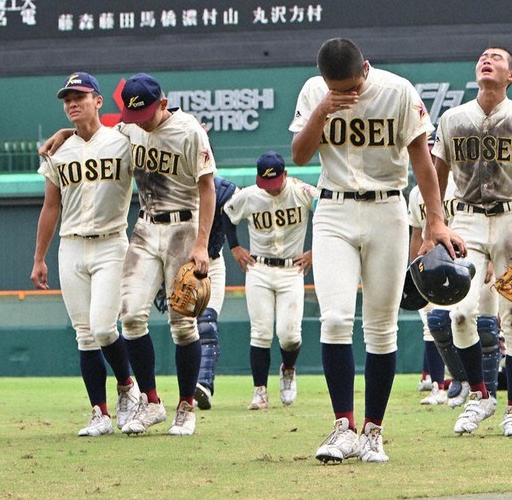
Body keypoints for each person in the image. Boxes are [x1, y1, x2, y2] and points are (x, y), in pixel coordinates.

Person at [290, 38, 465, 463]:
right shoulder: (316, 91)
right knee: (333, 319)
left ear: (365, 69)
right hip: (333, 208)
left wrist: (435, 220)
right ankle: (343, 428)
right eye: (337, 88)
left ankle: (373, 432)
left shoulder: (397, 90)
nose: (345, 94)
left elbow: (422, 160)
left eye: (350, 86)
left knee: (382, 327)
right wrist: (322, 110)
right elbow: (298, 155)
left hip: (388, 208)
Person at [41, 73, 216, 436]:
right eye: (133, 115)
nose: (139, 122)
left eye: (146, 114)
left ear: (163, 104)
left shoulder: (189, 131)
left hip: (183, 227)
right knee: (132, 316)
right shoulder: (130, 128)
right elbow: (93, 133)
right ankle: (151, 401)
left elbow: (207, 187)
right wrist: (65, 132)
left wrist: (202, 243)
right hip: (146, 225)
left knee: (182, 323)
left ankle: (185, 407)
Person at [433, 47, 512, 437]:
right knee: (460, 314)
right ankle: (481, 397)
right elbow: (438, 173)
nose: (487, 59)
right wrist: (437, 224)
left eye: (497, 57)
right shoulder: (452, 118)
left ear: (510, 76)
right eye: (482, 56)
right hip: (466, 219)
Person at [30, 72, 139, 437]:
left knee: (105, 327)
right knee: (84, 335)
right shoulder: (58, 149)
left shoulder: (123, 140)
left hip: (111, 242)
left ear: (98, 101)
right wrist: (39, 257)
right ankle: (99, 413)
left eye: (80, 96)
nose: (72, 103)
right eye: (67, 98)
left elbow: (150, 127)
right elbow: (50, 205)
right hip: (72, 244)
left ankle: (127, 384)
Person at [222, 151, 317, 410]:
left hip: (291, 269)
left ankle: (288, 369)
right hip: (259, 268)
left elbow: (328, 212)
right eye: (266, 184)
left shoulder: (302, 191)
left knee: (289, 335)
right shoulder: (251, 194)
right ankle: (260, 391)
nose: (271, 190)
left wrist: (315, 250)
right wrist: (235, 248)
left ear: (285, 175)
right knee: (260, 333)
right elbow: (226, 215)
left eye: (275, 182)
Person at [407, 134, 465, 407]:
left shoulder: (459, 183)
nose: (429, 157)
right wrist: (412, 271)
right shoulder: (416, 192)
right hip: (432, 266)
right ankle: (437, 387)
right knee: (431, 327)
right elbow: (417, 234)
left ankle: (466, 383)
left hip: (461, 261)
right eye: (426, 152)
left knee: (466, 323)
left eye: (434, 152)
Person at [193, 175, 238, 410]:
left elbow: (241, 211)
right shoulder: (171, 184)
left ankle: (204, 384)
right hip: (179, 264)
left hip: (212, 262)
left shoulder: (224, 190)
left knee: (207, 325)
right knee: (183, 331)